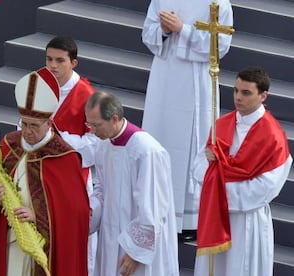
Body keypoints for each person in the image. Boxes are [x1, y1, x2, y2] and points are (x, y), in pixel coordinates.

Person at [0, 68, 90, 276]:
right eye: (24, 123)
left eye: (34, 126)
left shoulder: (64, 157)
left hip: (39, 250)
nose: (27, 131)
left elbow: (76, 216)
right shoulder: (9, 145)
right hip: (7, 244)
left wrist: (38, 217)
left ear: (49, 123)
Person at [141, 0, 234, 240]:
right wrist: (162, 30)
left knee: (191, 145)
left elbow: (220, 46)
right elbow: (148, 32)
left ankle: (190, 220)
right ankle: (154, 212)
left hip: (194, 81)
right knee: (159, 135)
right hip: (164, 76)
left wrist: (183, 29)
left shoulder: (217, 3)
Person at [193, 67, 293, 276]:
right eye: (236, 91)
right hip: (215, 216)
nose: (238, 98)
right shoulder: (221, 125)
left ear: (263, 95)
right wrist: (211, 166)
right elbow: (198, 167)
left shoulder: (273, 137)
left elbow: (265, 188)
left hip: (246, 219)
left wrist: (218, 188)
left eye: (246, 93)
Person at [86, 91, 179, 276]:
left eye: (96, 125)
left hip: (137, 249)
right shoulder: (104, 145)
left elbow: (154, 206)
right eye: (89, 125)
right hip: (111, 237)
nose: (92, 131)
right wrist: (88, 210)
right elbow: (102, 188)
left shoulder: (146, 151)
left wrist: (135, 251)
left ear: (113, 119)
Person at [45, 35, 98, 274]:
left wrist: (59, 138)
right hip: (41, 173)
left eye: (59, 60)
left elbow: (96, 143)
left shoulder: (86, 95)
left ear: (73, 63)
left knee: (71, 245)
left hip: (72, 178)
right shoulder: (39, 84)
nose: (52, 66)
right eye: (49, 59)